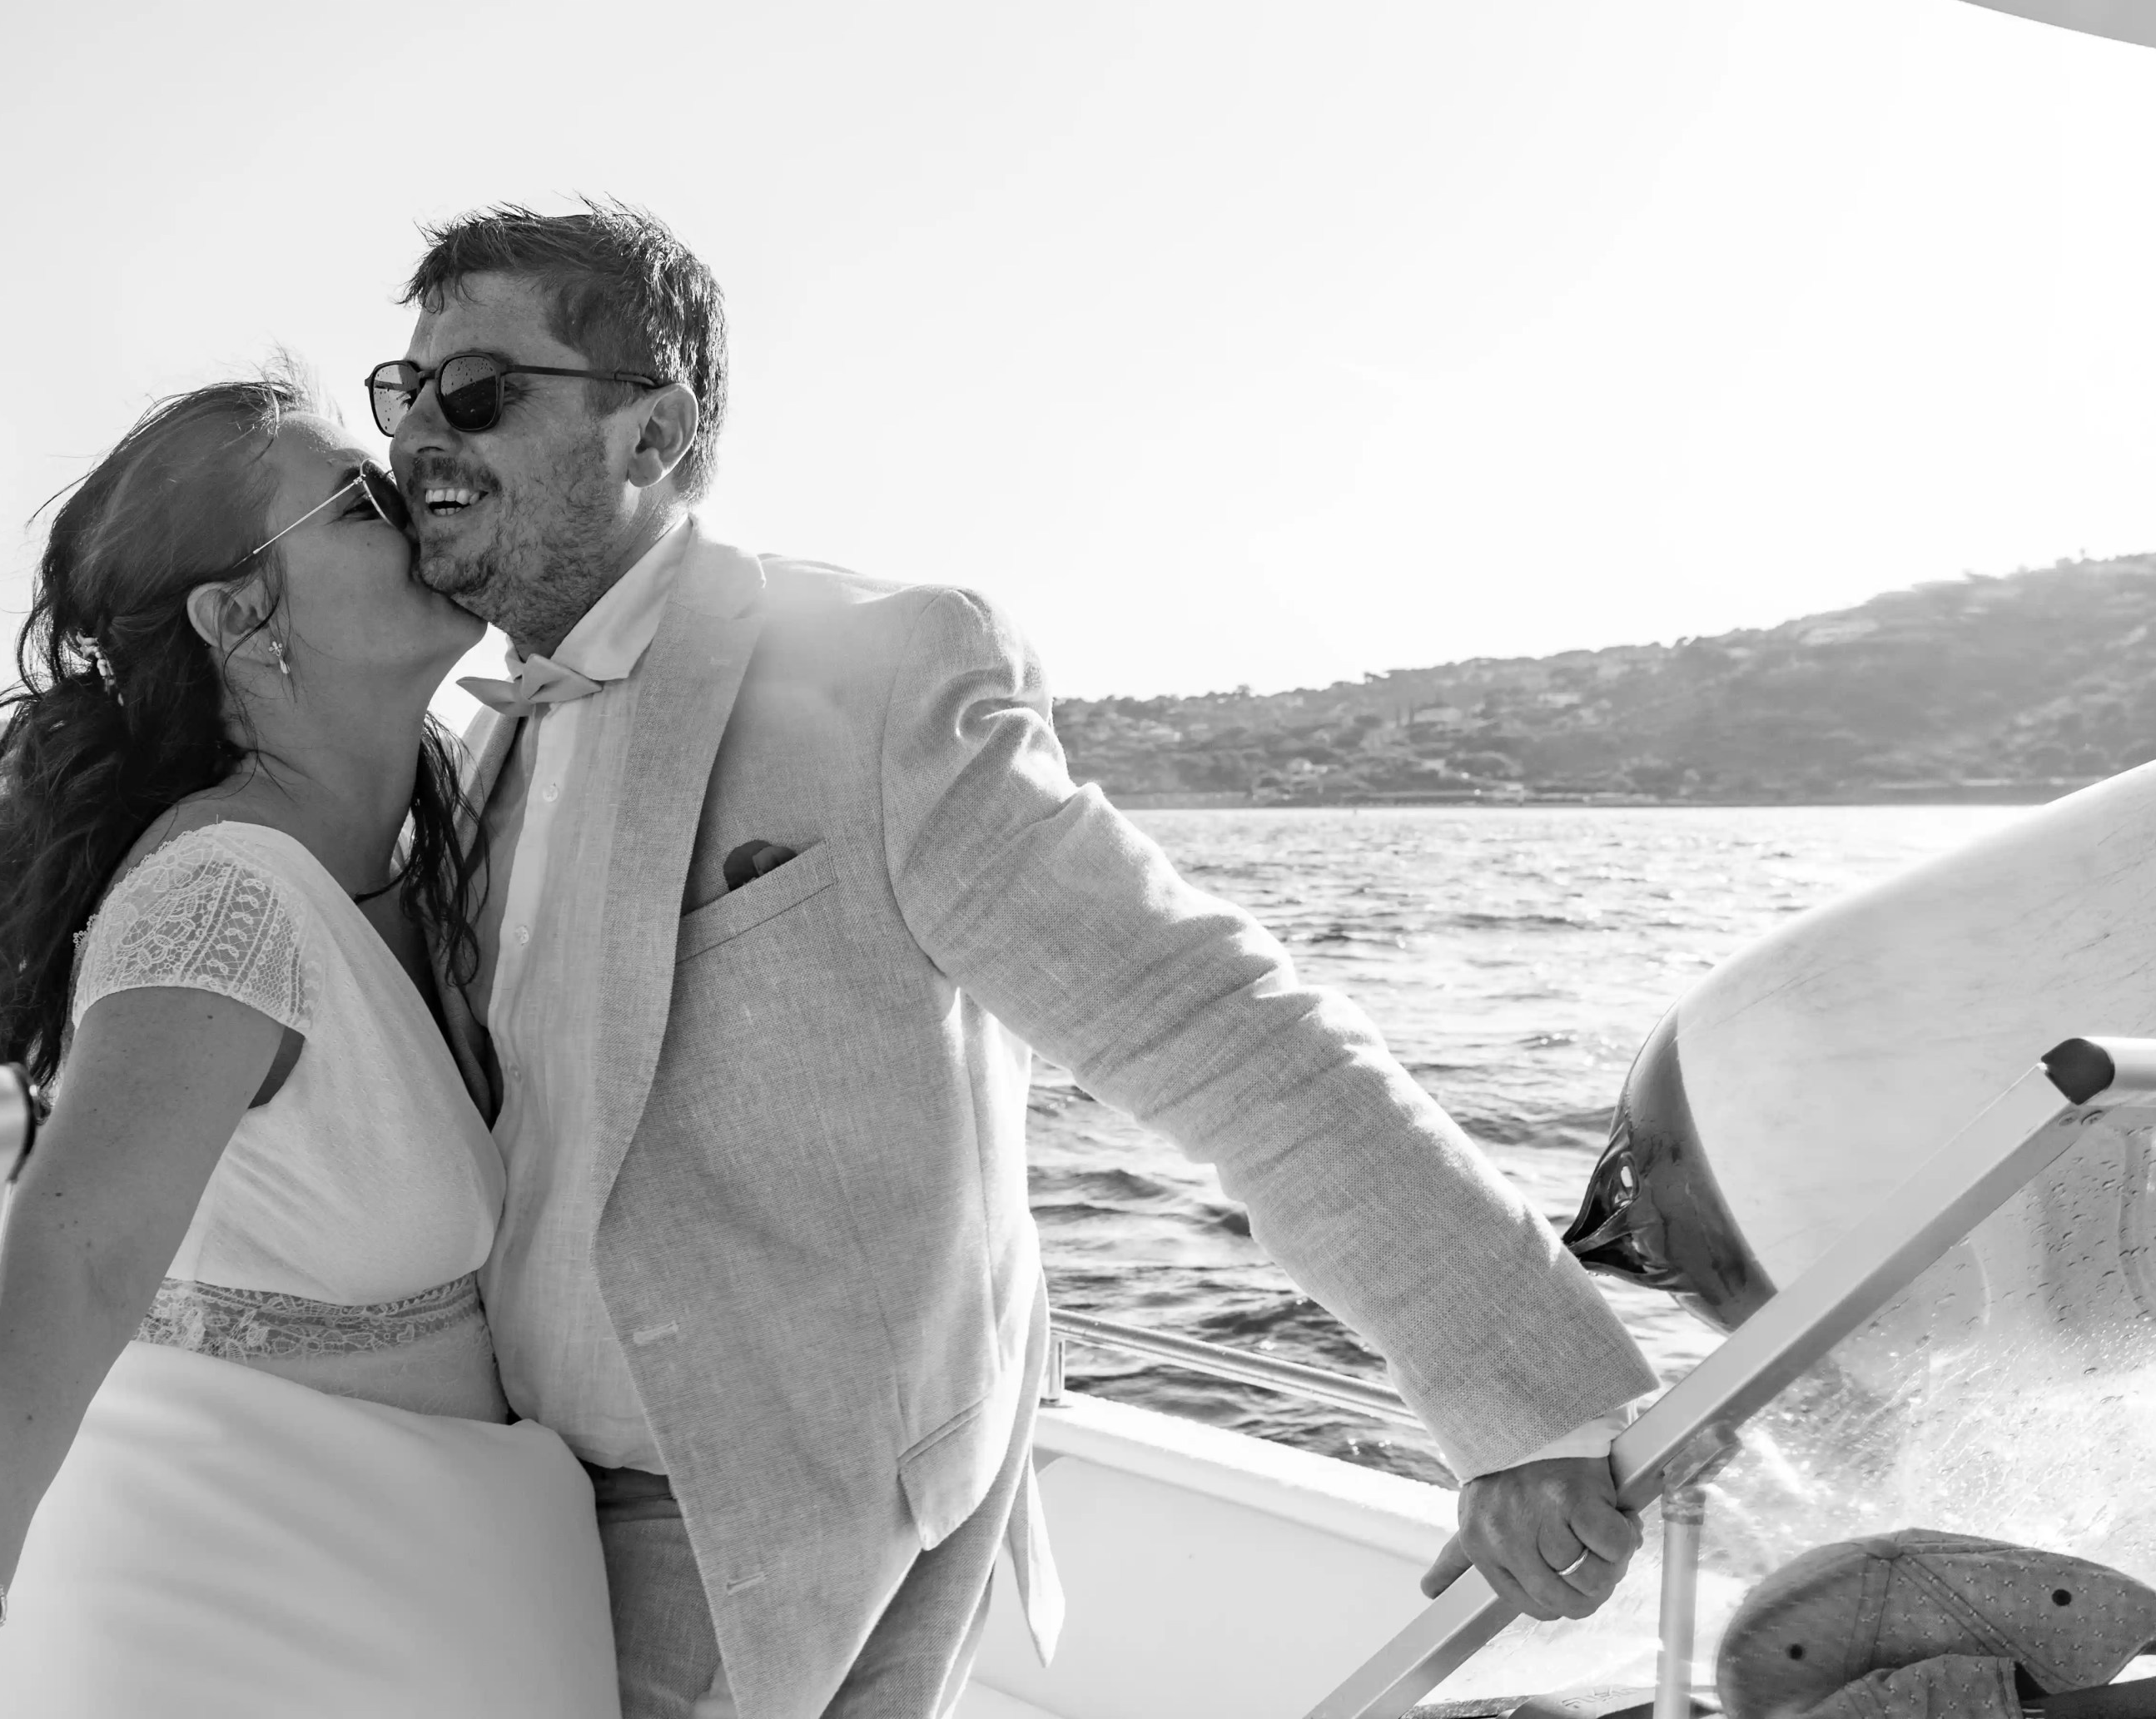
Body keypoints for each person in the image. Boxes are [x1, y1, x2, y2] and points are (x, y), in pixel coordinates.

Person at [375, 203, 1661, 1719]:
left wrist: (1525, 1401)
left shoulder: (875, 672)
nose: (419, 437)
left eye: (477, 392)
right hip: (524, 1498)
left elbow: (1204, 1021)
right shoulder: (477, 752)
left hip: (760, 1512)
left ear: (650, 433)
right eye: (404, 393)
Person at [0, 377, 619, 1719]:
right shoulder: (224, 900)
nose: (415, 506)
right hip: (280, 1644)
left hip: (428, 1617)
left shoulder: (433, 853)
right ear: (237, 618)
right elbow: (74, 1262)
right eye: (359, 503)